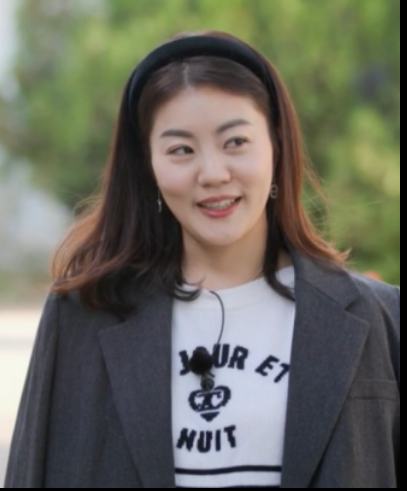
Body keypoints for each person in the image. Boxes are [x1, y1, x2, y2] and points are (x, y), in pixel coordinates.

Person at [4, 31, 399, 489]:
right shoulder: (81, 318)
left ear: (276, 147)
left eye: (235, 142)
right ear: (149, 167)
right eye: (181, 150)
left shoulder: (380, 318)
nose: (212, 174)